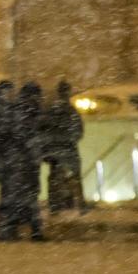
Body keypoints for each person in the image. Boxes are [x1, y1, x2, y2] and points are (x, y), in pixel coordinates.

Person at [0, 82, 45, 241]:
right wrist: (33, 149)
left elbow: (5, 132)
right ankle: (34, 231)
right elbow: (24, 133)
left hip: (13, 159)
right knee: (28, 195)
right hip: (24, 159)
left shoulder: (13, 108)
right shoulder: (29, 109)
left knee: (12, 194)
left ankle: (9, 230)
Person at [40, 80, 85, 214]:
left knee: (55, 178)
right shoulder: (71, 110)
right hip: (68, 148)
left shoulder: (51, 109)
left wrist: (48, 145)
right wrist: (70, 140)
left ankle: (55, 205)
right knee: (74, 178)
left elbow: (44, 128)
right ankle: (79, 205)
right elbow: (78, 130)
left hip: (55, 150)